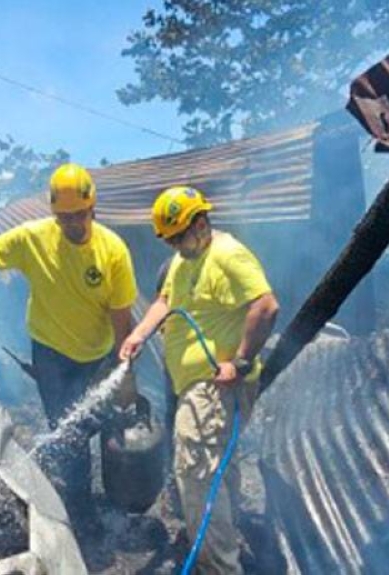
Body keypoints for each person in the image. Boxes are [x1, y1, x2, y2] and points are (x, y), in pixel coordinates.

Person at [0, 162, 138, 529]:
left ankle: (112, 492)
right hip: (51, 352)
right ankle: (81, 511)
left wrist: (125, 372)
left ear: (93, 210)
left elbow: (122, 319)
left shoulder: (113, 251)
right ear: (54, 214)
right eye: (64, 217)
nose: (72, 224)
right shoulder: (33, 238)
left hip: (98, 352)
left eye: (79, 216)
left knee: (102, 422)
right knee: (67, 431)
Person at [120, 186, 279, 574]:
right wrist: (139, 333)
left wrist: (240, 362)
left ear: (202, 222)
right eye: (169, 239)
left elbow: (266, 305)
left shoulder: (227, 254)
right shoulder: (183, 260)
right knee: (218, 469)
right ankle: (228, 543)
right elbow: (165, 300)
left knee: (195, 472)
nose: (176, 244)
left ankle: (217, 566)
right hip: (195, 385)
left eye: (179, 236)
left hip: (215, 384)